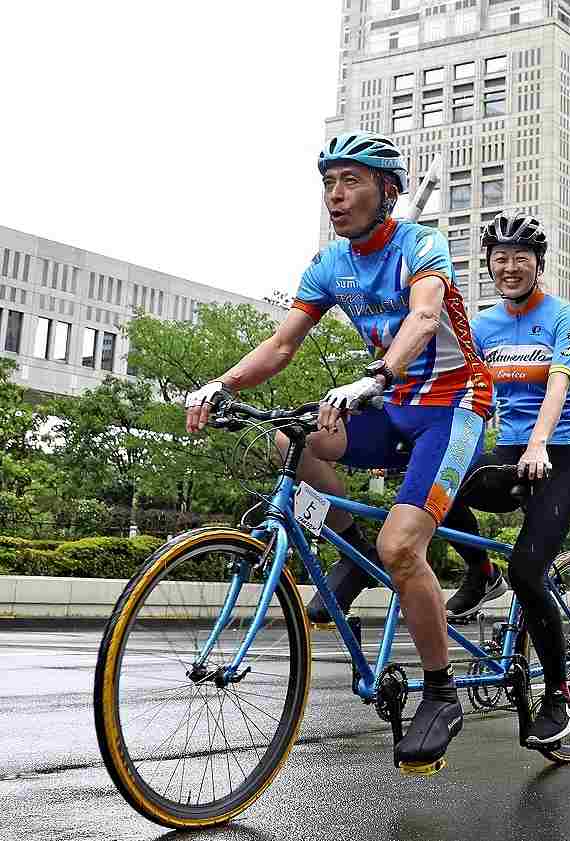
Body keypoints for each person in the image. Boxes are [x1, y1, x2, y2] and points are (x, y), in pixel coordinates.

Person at [184, 130, 493, 769]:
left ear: (389, 191)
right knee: (291, 440)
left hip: (454, 406)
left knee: (402, 546)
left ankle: (440, 691)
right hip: (392, 406)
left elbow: (425, 318)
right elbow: (281, 345)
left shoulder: (420, 244)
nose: (335, 194)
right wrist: (222, 383)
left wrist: (375, 378)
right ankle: (348, 552)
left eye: (351, 181)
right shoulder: (330, 264)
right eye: (329, 183)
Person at [439, 211, 570, 746]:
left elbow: (557, 386)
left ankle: (559, 693)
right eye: (499, 259)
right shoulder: (481, 327)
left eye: (520, 258)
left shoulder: (564, 317)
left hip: (561, 454)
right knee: (433, 488)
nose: (509, 267)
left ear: (538, 264)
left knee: (529, 571)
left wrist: (539, 443)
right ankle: (481, 573)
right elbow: (462, 394)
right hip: (508, 451)